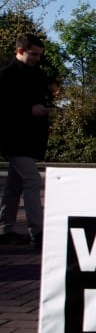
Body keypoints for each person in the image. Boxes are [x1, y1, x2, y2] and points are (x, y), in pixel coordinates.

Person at [0, 33, 54, 247]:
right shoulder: (5, 76)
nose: (37, 59)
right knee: (32, 180)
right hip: (14, 139)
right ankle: (37, 230)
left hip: (27, 139)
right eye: (34, 54)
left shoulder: (35, 76)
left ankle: (5, 229)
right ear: (20, 51)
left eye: (39, 55)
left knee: (14, 185)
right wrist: (30, 111)